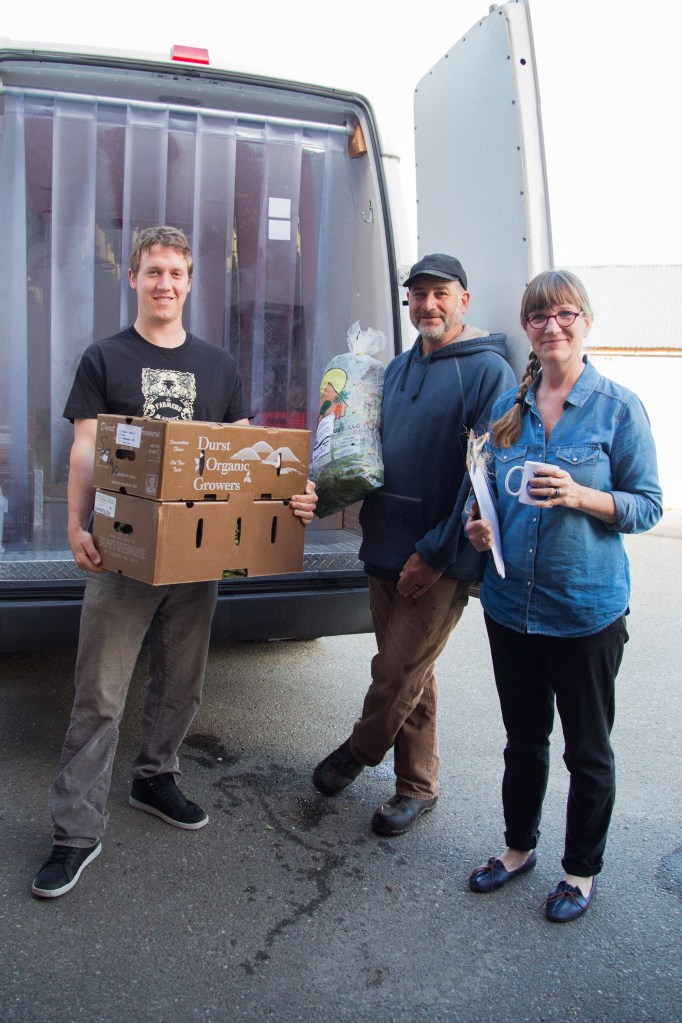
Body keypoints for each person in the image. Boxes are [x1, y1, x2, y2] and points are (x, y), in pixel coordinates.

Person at [32, 226, 317, 899]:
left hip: (198, 552)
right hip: (120, 551)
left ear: (191, 283)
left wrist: (291, 493)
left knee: (182, 680)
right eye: (153, 271)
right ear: (133, 278)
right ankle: (74, 831)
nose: (165, 284)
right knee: (99, 693)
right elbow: (84, 449)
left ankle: (155, 775)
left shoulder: (218, 366)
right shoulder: (104, 358)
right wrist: (76, 526)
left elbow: (247, 455)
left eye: (176, 273)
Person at [465, 269, 662, 922]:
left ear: (585, 322)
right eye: (539, 316)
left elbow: (648, 504)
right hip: (510, 608)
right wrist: (478, 524)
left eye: (565, 314)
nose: (553, 326)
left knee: (587, 750)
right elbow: (486, 495)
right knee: (524, 740)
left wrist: (581, 495)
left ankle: (580, 870)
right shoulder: (510, 415)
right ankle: (518, 847)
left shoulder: (618, 407)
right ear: (526, 327)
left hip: (584, 613)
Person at [312, 254, 516, 836]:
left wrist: (437, 552)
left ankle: (356, 752)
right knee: (410, 671)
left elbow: (482, 476)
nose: (427, 304)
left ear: (463, 300)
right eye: (418, 294)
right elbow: (361, 446)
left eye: (440, 293)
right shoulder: (394, 369)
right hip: (383, 542)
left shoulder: (487, 372)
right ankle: (417, 786)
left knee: (398, 667)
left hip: (438, 555)